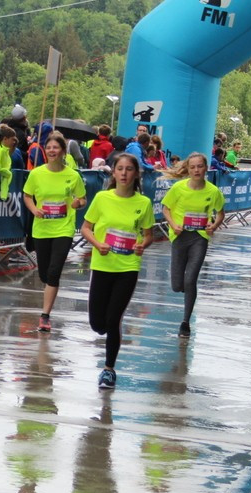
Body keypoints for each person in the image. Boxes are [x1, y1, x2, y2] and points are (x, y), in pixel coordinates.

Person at [79, 153, 154, 389]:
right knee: (97, 324)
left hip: (128, 267)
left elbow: (148, 234)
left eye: (129, 169)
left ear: (136, 174)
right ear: (113, 172)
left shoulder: (143, 203)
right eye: (119, 168)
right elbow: (85, 228)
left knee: (113, 319)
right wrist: (98, 244)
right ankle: (106, 333)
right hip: (102, 265)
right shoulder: (102, 198)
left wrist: (143, 244)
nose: (123, 173)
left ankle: (109, 370)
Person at [22, 130, 87, 333]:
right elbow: (27, 196)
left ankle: (45, 316)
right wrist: (34, 210)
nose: (52, 150)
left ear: (62, 151)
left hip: (64, 229)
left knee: (54, 271)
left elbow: (82, 199)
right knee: (44, 274)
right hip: (42, 229)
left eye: (55, 147)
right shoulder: (37, 174)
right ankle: (48, 294)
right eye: (49, 147)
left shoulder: (73, 176)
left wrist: (77, 203)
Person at [160, 152, 225, 338]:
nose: (196, 170)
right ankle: (186, 289)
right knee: (177, 285)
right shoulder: (179, 188)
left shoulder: (213, 191)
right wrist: (173, 225)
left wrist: (213, 226)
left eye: (200, 166)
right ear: (188, 169)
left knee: (191, 280)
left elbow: (220, 213)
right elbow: (166, 209)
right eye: (193, 167)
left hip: (199, 238)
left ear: (206, 168)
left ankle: (185, 322)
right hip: (180, 237)